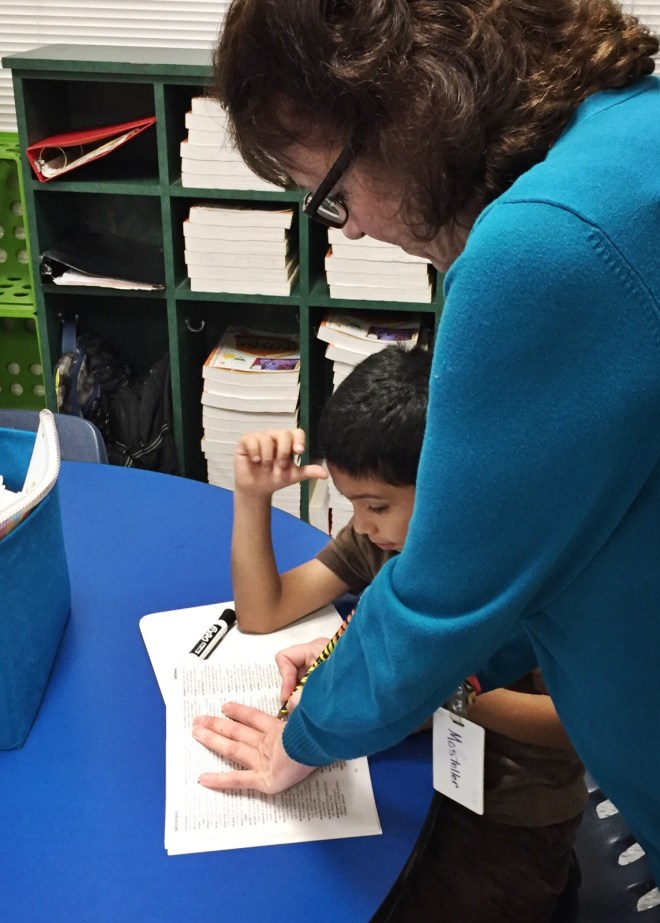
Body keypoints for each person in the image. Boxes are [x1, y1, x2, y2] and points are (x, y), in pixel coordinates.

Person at [192, 0, 660, 881]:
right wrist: (365, 668)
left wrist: (305, 734)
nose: (353, 227)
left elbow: (446, 593)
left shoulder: (540, 247)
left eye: (330, 195)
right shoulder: (634, 131)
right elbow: (556, 535)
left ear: (403, 113)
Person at [213, 345, 586, 921]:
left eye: (376, 506)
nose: (362, 525)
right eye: (352, 504)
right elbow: (263, 612)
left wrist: (437, 691)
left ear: (444, 483)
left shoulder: (527, 573)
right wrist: (253, 497)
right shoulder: (386, 536)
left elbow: (577, 727)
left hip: (509, 814)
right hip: (415, 777)